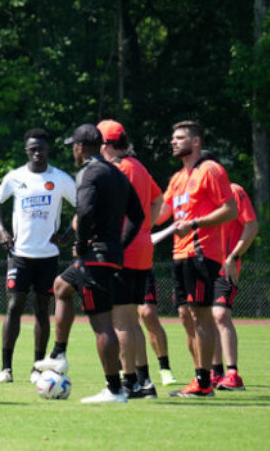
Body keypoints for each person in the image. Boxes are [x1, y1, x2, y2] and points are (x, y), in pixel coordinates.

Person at [35, 124, 144, 404]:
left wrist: (82, 245)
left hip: (94, 256)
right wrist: (119, 245)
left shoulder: (89, 171)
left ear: (81, 147)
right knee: (61, 287)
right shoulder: (116, 173)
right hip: (107, 255)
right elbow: (138, 215)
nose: (73, 149)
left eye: (74, 145)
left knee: (102, 325)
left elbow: (84, 211)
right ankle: (58, 354)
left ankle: (114, 389)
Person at [0, 129, 76, 385]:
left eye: (42, 149)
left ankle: (38, 367)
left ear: (48, 151)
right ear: (27, 151)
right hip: (20, 255)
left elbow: (83, 204)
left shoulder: (59, 179)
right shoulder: (16, 177)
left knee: (42, 310)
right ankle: (6, 368)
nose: (37, 153)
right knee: (14, 307)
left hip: (47, 256)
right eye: (33, 149)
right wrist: (2, 231)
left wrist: (69, 233)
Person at [157, 121, 237, 398]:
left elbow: (230, 210)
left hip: (201, 253)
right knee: (184, 316)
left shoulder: (211, 170)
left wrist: (195, 224)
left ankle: (205, 381)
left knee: (200, 316)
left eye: (180, 138)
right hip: (180, 254)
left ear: (196, 142)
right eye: (173, 137)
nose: (174, 142)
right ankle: (199, 376)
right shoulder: (178, 177)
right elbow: (160, 214)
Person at [97, 120, 163, 398]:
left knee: (120, 320)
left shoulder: (117, 170)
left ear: (106, 146)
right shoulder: (139, 167)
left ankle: (127, 383)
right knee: (132, 320)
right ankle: (143, 381)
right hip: (142, 248)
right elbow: (159, 201)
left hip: (122, 248)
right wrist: (146, 227)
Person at [210, 178, 258, 391]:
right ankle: (214, 372)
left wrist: (234, 256)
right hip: (202, 266)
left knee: (221, 315)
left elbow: (251, 225)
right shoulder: (198, 195)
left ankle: (233, 374)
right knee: (204, 318)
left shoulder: (234, 191)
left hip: (225, 267)